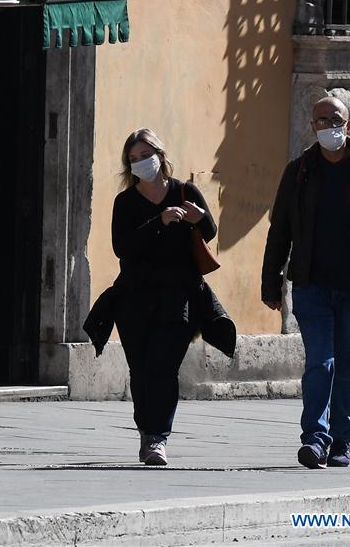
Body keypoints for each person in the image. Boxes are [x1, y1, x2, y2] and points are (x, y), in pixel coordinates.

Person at [261, 89, 350, 469]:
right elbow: (280, 231)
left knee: (349, 367)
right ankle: (315, 439)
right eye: (321, 121)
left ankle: (342, 439)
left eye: (335, 121)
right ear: (312, 127)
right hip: (311, 285)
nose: (328, 127)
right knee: (320, 363)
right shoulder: (300, 171)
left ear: (348, 125)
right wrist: (271, 284)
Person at [99, 128, 232, 466]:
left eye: (146, 155)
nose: (141, 163)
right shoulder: (125, 202)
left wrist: (201, 218)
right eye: (133, 159)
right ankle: (146, 433)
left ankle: (158, 437)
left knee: (164, 367)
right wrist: (159, 221)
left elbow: (210, 232)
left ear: (160, 154)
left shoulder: (185, 191)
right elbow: (122, 247)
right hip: (134, 297)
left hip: (178, 297)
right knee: (141, 369)